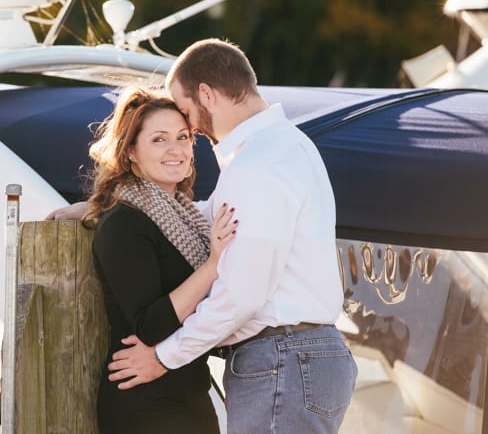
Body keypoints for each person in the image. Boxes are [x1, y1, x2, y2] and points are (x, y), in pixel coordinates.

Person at [49, 39, 357, 433]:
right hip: (299, 358)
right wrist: (103, 203)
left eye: (185, 113)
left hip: (283, 358)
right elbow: (209, 212)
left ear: (207, 95)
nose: (188, 127)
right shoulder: (285, 147)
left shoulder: (257, 165)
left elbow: (241, 295)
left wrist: (163, 357)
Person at [83, 86, 236, 433]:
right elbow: (149, 326)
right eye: (159, 140)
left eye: (183, 137)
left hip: (190, 396)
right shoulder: (125, 222)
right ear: (131, 151)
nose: (176, 150)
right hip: (146, 405)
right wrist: (213, 266)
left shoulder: (185, 217)